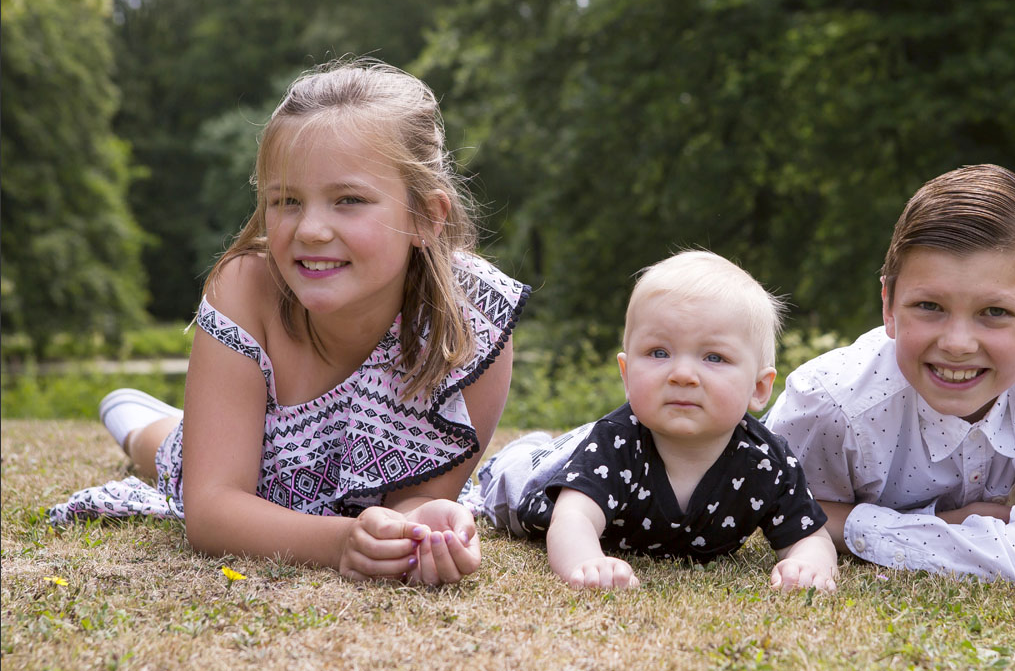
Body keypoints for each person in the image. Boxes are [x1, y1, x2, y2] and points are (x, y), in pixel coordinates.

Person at [48, 58, 530, 587]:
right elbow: (210, 509)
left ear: (425, 218)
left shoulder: (475, 325)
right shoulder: (245, 288)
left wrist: (423, 527)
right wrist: (342, 542)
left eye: (349, 200)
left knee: (184, 438)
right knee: (164, 451)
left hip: (332, 485)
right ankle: (134, 416)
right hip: (252, 471)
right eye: (287, 201)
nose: (312, 229)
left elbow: (416, 504)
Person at [764, 164, 1015, 587]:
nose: (958, 343)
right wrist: (949, 523)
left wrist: (853, 527)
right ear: (889, 305)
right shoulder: (828, 406)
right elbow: (769, 506)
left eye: (994, 312)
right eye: (929, 306)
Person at [462, 251, 837, 591]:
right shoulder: (617, 443)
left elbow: (810, 536)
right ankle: (525, 451)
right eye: (659, 353)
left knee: (578, 446)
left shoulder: (767, 461)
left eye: (714, 357)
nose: (683, 374)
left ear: (758, 388)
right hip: (541, 482)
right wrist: (586, 562)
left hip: (590, 453)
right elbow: (572, 519)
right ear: (626, 375)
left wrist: (809, 565)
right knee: (512, 478)